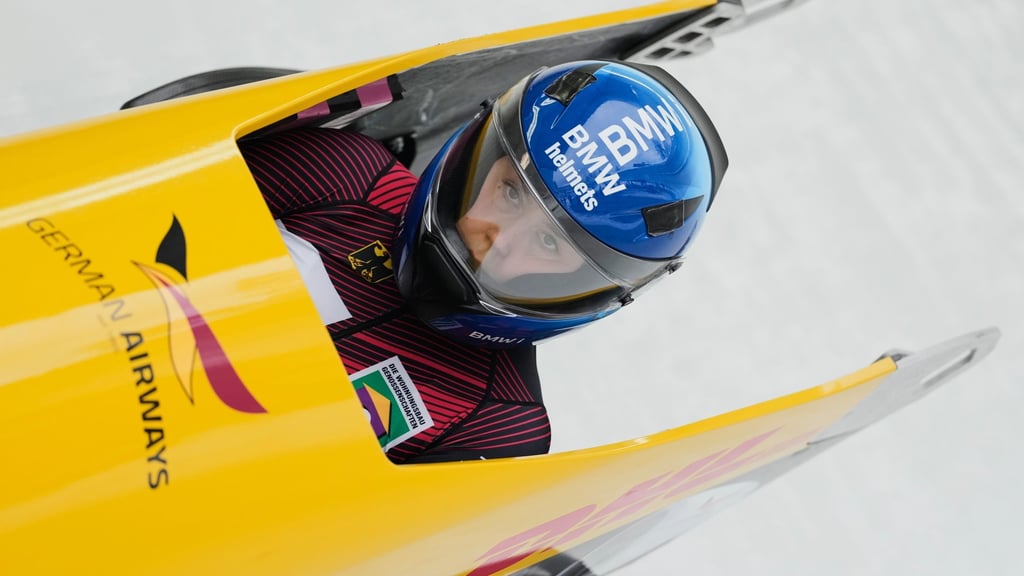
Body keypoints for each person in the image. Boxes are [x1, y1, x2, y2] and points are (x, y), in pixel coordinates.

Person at [237, 60, 727, 464]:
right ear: (477, 156)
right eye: (510, 193)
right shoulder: (342, 174)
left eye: (550, 243)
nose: (500, 240)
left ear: (586, 287)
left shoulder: (496, 421)